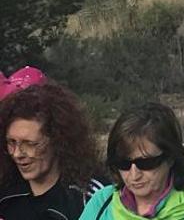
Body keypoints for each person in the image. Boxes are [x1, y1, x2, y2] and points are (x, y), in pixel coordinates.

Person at [81, 102, 184, 219]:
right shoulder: (101, 205)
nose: (134, 175)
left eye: (146, 163)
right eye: (123, 164)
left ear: (171, 157)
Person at [0, 81, 105, 220]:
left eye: (30, 144)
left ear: (57, 140)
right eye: (11, 142)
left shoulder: (90, 197)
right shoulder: (6, 191)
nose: (17, 153)